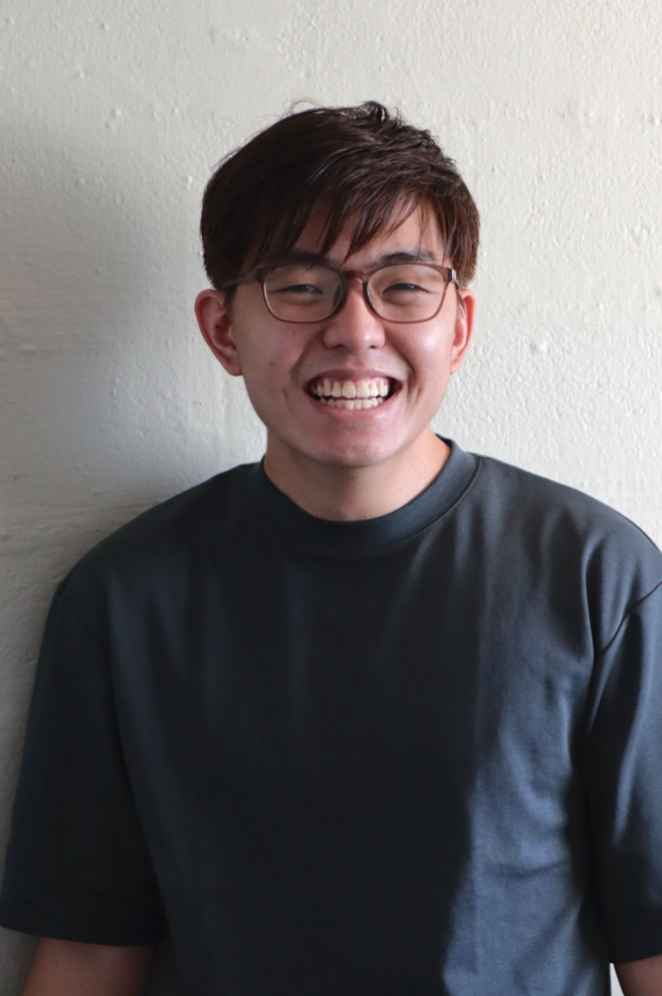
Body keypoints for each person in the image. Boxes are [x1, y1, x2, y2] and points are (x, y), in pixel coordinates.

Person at [1, 102, 661, 996]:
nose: (355, 330)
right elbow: (87, 955)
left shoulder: (600, 579)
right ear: (224, 328)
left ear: (457, 325)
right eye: (302, 286)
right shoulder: (122, 602)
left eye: (402, 284)